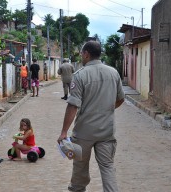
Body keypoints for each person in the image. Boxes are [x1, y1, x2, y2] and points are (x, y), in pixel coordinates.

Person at [57, 41, 125, 192]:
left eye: (82, 53)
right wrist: (106, 110)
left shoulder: (81, 75)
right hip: (106, 131)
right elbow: (120, 99)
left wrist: (63, 132)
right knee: (107, 168)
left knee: (80, 169)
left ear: (86, 54)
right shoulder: (113, 73)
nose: (81, 56)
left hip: (84, 133)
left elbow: (73, 105)